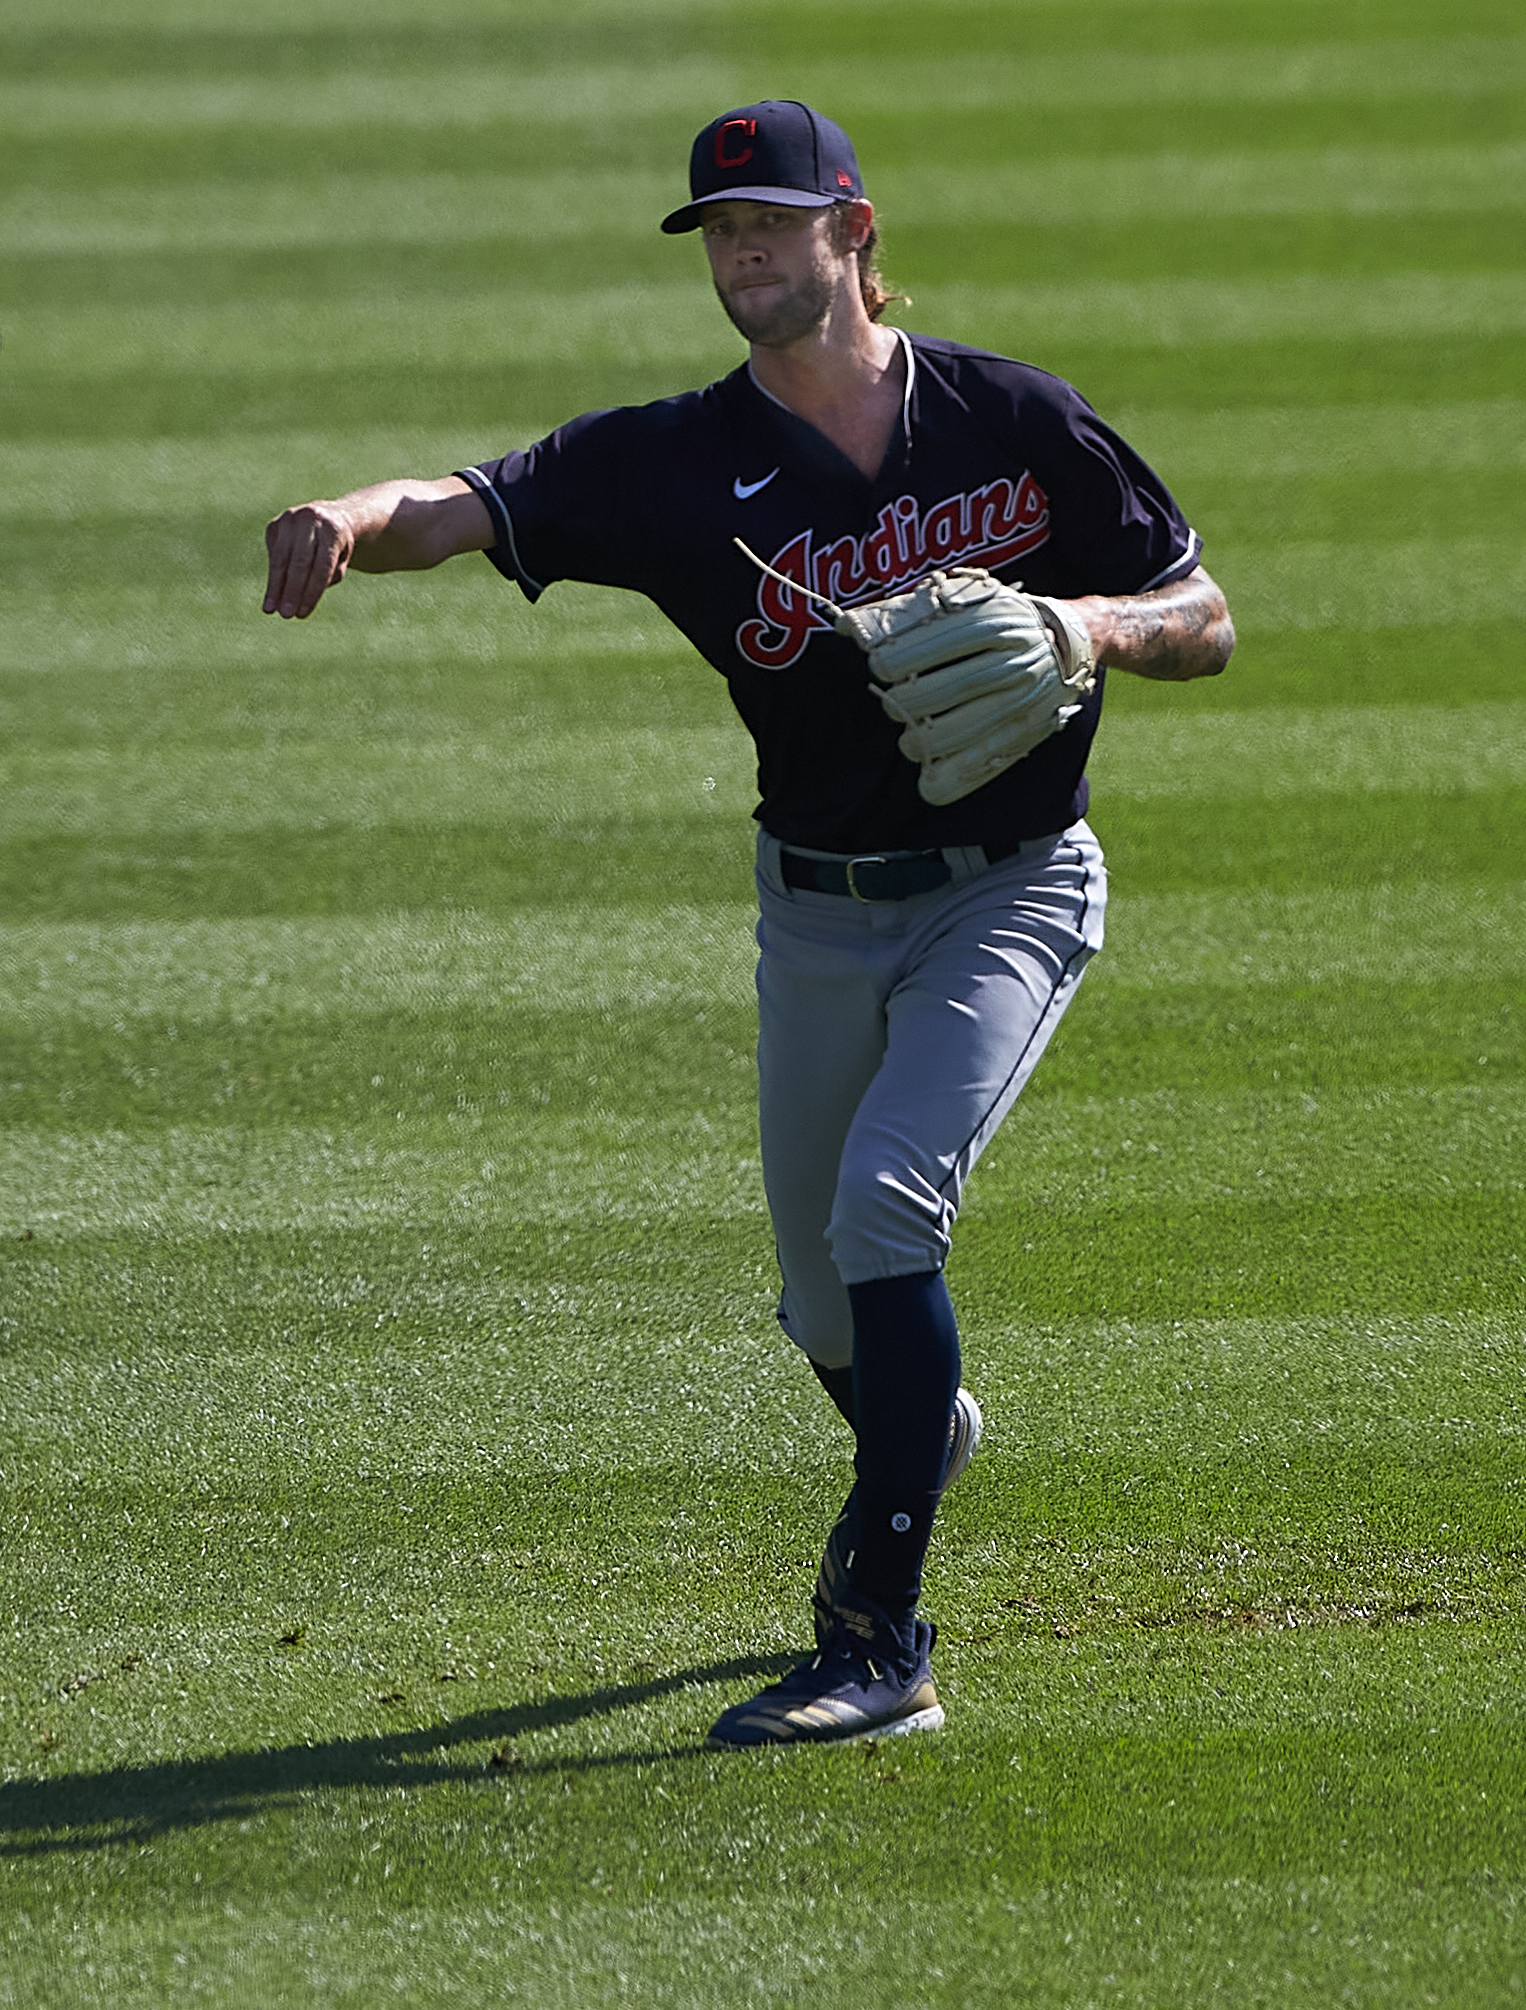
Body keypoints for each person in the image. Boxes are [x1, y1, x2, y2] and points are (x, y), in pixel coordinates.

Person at [260, 102, 1233, 1748]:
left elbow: (1204, 618)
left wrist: (1083, 625)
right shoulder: (671, 463)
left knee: (886, 1206)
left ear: (855, 230)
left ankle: (881, 1642)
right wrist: (350, 521)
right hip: (818, 919)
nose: (745, 253)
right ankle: (914, 1427)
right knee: (824, 1307)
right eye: (721, 231)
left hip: (1009, 891)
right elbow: (473, 502)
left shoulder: (1013, 421)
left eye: (773, 222)